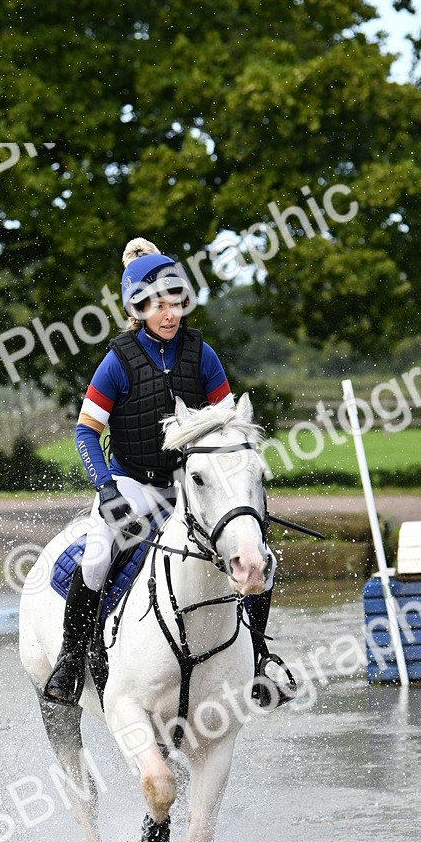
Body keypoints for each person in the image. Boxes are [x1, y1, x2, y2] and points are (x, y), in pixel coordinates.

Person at [43, 237, 294, 709]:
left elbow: (230, 427)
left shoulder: (203, 355)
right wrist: (106, 488)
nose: (170, 313)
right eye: (158, 304)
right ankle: (70, 658)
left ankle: (260, 658)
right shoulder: (117, 362)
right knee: (96, 557)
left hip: (189, 487)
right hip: (132, 484)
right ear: (137, 308)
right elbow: (85, 431)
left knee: (261, 557)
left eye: (176, 302)